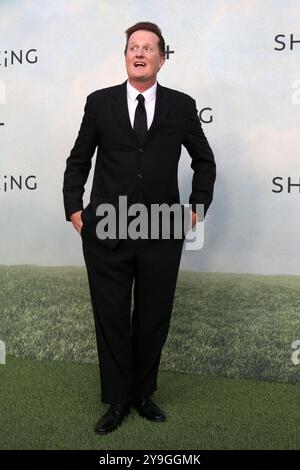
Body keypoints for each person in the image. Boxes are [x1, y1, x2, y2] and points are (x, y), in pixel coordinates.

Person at [62, 21, 216, 435]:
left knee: (152, 317)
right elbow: (78, 160)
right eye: (133, 46)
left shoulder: (181, 106)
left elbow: (204, 160)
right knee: (111, 316)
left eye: (149, 47)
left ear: (162, 58)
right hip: (107, 230)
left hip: (162, 230)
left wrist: (196, 207)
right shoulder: (99, 103)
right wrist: (75, 211)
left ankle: (143, 395)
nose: (140, 53)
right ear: (126, 55)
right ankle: (116, 400)